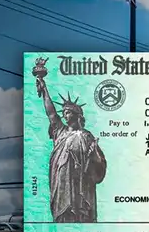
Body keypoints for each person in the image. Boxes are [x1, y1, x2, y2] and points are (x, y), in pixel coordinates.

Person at [35, 76, 107, 223]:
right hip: (61, 182)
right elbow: (51, 114)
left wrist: (94, 157)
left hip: (81, 184)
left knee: (81, 217)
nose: (64, 115)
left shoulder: (87, 136)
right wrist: (44, 89)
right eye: (64, 113)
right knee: (63, 218)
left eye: (67, 112)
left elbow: (100, 164)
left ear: (77, 115)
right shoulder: (60, 132)